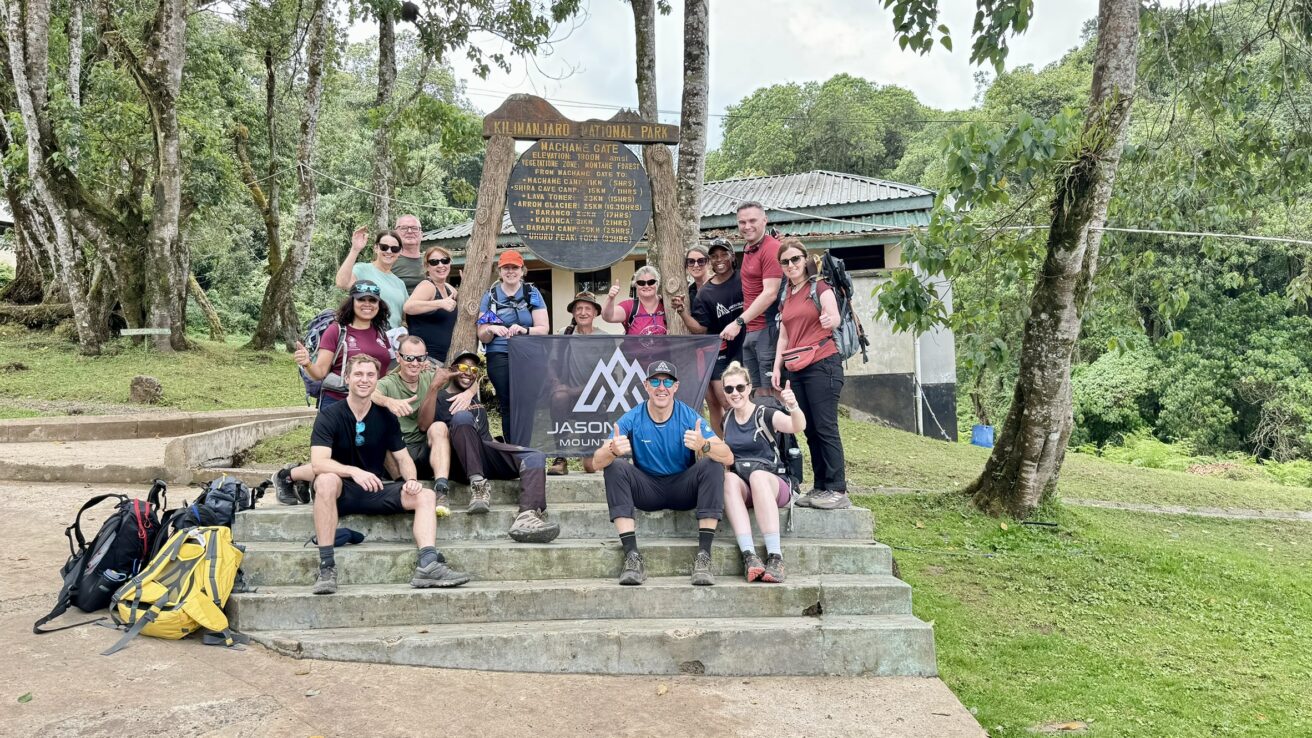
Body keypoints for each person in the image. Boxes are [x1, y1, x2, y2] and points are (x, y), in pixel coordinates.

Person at [307, 353, 470, 595]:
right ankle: (327, 567)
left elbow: (403, 458)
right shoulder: (330, 415)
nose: (364, 380)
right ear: (347, 378)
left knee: (425, 496)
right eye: (359, 374)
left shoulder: (385, 416)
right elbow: (319, 463)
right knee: (327, 479)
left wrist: (412, 481)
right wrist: (353, 471)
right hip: (340, 491)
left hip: (374, 488)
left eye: (370, 375)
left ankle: (428, 565)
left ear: (377, 380)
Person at [592, 360, 733, 586]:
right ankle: (632, 556)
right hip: (647, 489)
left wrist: (704, 446)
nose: (661, 387)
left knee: (713, 463)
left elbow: (728, 456)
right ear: (646, 386)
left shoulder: (689, 416)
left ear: (675, 387)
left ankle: (704, 556)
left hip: (683, 489)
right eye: (655, 381)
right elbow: (596, 462)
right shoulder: (632, 417)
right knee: (615, 466)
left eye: (667, 381)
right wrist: (612, 449)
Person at [438, 351, 561, 543]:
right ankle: (478, 486)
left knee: (534, 456)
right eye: (462, 368)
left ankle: (527, 517)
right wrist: (433, 389)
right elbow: (424, 426)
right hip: (460, 461)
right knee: (462, 417)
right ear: (452, 370)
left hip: (485, 454)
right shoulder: (440, 397)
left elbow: (486, 438)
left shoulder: (474, 399)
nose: (468, 372)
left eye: (473, 370)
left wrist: (509, 451)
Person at [772, 239, 849, 510]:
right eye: (785, 261)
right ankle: (820, 487)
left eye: (795, 259)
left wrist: (831, 320)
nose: (791, 265)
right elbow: (784, 334)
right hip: (797, 368)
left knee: (826, 427)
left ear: (805, 259)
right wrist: (776, 367)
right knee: (810, 429)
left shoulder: (820, 287)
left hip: (822, 364)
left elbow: (834, 316)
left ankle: (837, 488)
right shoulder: (787, 294)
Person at [719, 361, 805, 583]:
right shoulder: (727, 420)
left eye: (739, 387)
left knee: (758, 477)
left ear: (748, 388)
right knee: (727, 479)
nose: (734, 393)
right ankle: (749, 555)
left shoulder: (764, 414)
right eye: (729, 389)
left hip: (774, 483)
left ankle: (776, 557)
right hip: (744, 486)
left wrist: (793, 406)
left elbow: (797, 426)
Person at [373, 335, 476, 503]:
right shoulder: (388, 383)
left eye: (420, 358)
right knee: (377, 430)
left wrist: (469, 393)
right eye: (409, 358)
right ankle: (401, 485)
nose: (415, 363)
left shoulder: (430, 377)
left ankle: (441, 487)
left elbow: (467, 375)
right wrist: (389, 401)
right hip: (398, 453)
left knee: (439, 426)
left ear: (425, 357)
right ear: (398, 357)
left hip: (426, 450)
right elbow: (370, 392)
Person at [675, 238, 744, 435]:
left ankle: (740, 446)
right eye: (690, 262)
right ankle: (721, 449)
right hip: (705, 353)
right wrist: (681, 310)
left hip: (738, 348)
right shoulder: (690, 292)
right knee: (713, 402)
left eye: (701, 260)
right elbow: (699, 328)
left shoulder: (738, 279)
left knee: (729, 399)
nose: (696, 265)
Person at [477, 250, 549, 435]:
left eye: (514, 267)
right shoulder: (491, 296)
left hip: (527, 354)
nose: (510, 271)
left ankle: (525, 447)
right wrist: (491, 328)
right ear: (499, 271)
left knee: (527, 401)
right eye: (506, 268)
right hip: (499, 353)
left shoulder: (532, 294)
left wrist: (525, 330)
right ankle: (512, 451)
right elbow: (482, 334)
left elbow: (543, 329)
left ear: (522, 270)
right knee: (508, 401)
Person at [295, 280, 393, 408]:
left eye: (372, 300)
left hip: (374, 402)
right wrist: (307, 363)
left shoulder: (380, 332)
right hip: (339, 401)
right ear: (352, 302)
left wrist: (412, 364)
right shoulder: (336, 331)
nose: (367, 304)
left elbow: (387, 372)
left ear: (379, 304)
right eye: (361, 299)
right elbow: (320, 373)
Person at [718, 202, 782, 398]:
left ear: (765, 220)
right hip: (751, 331)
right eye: (742, 222)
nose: (747, 226)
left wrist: (738, 322)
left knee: (772, 396)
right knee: (755, 395)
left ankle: (783, 430)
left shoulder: (771, 248)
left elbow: (770, 293)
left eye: (752, 220)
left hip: (768, 329)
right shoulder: (748, 248)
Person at [548, 291, 603, 476]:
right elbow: (551, 364)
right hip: (568, 397)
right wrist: (557, 384)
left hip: (593, 401)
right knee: (559, 397)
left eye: (588, 308)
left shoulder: (604, 338)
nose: (583, 312)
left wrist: (572, 390)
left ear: (595, 312)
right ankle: (561, 457)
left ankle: (592, 455)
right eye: (578, 308)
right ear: (573, 313)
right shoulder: (564, 334)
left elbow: (604, 380)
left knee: (590, 467)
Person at [336, 229, 407, 330]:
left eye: (394, 249)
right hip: (368, 333)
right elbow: (342, 283)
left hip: (392, 338)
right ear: (376, 248)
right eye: (384, 247)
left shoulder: (400, 283)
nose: (389, 251)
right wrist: (355, 249)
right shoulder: (362, 269)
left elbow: (406, 314)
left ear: (400, 252)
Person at [404, 246, 458, 364]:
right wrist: (439, 303)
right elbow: (408, 307)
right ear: (427, 267)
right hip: (425, 360)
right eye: (434, 262)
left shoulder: (449, 288)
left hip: (444, 360)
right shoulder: (427, 286)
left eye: (445, 261)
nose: (440, 265)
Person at [602, 265, 667, 335]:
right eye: (641, 283)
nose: (646, 286)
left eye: (651, 282)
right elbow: (608, 317)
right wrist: (610, 298)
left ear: (657, 283)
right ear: (636, 285)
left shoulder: (667, 304)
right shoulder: (630, 306)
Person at [391, 214, 427, 291]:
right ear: (395, 233)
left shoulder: (432, 262)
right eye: (404, 228)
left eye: (414, 228)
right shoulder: (387, 259)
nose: (409, 231)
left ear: (421, 234)